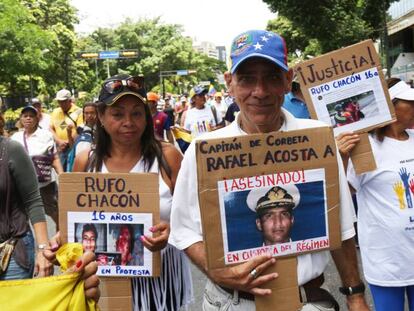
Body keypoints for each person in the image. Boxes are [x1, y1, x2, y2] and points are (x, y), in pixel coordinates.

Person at [169, 30, 369, 311]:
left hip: (308, 302)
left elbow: (342, 226)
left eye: (272, 77)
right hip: (231, 302)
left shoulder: (320, 138)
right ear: (230, 83)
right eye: (247, 79)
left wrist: (356, 295)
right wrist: (215, 271)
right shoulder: (203, 149)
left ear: (288, 81)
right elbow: (184, 230)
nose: (260, 92)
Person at [73, 73, 193, 311]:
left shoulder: (168, 157)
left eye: (137, 113)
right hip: (103, 283)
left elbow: (194, 219)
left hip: (162, 283)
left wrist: (173, 231)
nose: (128, 121)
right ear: (101, 116)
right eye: (117, 114)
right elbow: (71, 222)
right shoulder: (85, 161)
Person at [337, 78, 414, 311]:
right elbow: (340, 191)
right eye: (410, 102)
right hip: (387, 261)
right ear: (391, 108)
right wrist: (341, 157)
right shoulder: (364, 147)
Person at [0, 126, 53, 280]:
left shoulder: (11, 150)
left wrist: (43, 249)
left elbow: (33, 201)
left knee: (12, 305)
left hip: (11, 252)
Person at [11, 105, 63, 227]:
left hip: (44, 184)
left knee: (53, 211)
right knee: (22, 215)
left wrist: (62, 176)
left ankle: (61, 236)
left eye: (31, 116)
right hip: (22, 185)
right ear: (21, 119)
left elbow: (54, 158)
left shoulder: (46, 135)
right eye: (25, 116)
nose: (28, 118)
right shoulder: (15, 138)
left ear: (37, 119)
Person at [50, 89, 83, 171]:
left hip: (73, 147)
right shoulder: (55, 112)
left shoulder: (79, 112)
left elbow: (80, 129)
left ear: (70, 100)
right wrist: (59, 141)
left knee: (72, 171)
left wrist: (68, 142)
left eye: (63, 101)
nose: (61, 104)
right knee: (60, 173)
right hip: (60, 147)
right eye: (59, 101)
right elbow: (50, 128)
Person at [66, 102, 97, 172]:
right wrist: (69, 133)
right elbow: (72, 147)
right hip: (79, 166)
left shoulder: (102, 129)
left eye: (92, 112)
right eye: (86, 113)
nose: (89, 115)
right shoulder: (80, 128)